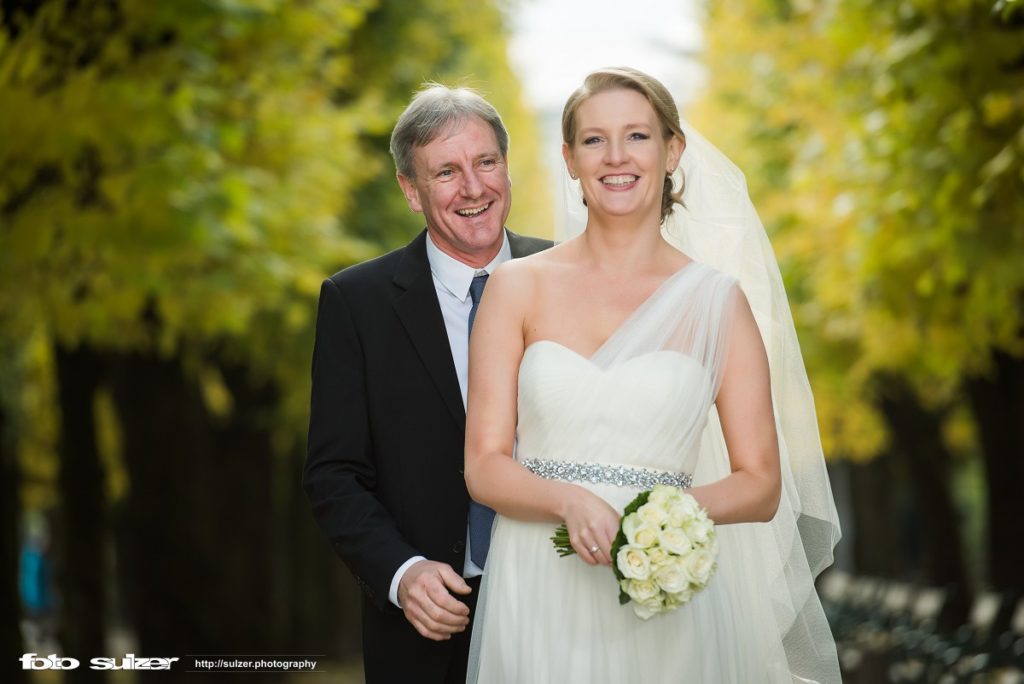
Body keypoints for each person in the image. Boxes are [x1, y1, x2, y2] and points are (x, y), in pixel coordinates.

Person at [464, 67, 842, 683]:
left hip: (669, 588)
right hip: (538, 582)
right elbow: (482, 463)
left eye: (637, 136)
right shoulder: (514, 287)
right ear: (569, 158)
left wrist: (661, 524)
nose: (616, 157)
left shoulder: (718, 302)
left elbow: (760, 481)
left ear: (672, 150)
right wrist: (567, 500)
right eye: (594, 140)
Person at [303, 84, 550, 683]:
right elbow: (334, 474)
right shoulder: (354, 302)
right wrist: (401, 572)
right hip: (428, 627)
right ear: (410, 191)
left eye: (486, 162)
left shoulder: (570, 278)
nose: (473, 188)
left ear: (506, 168)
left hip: (562, 606)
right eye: (446, 171)